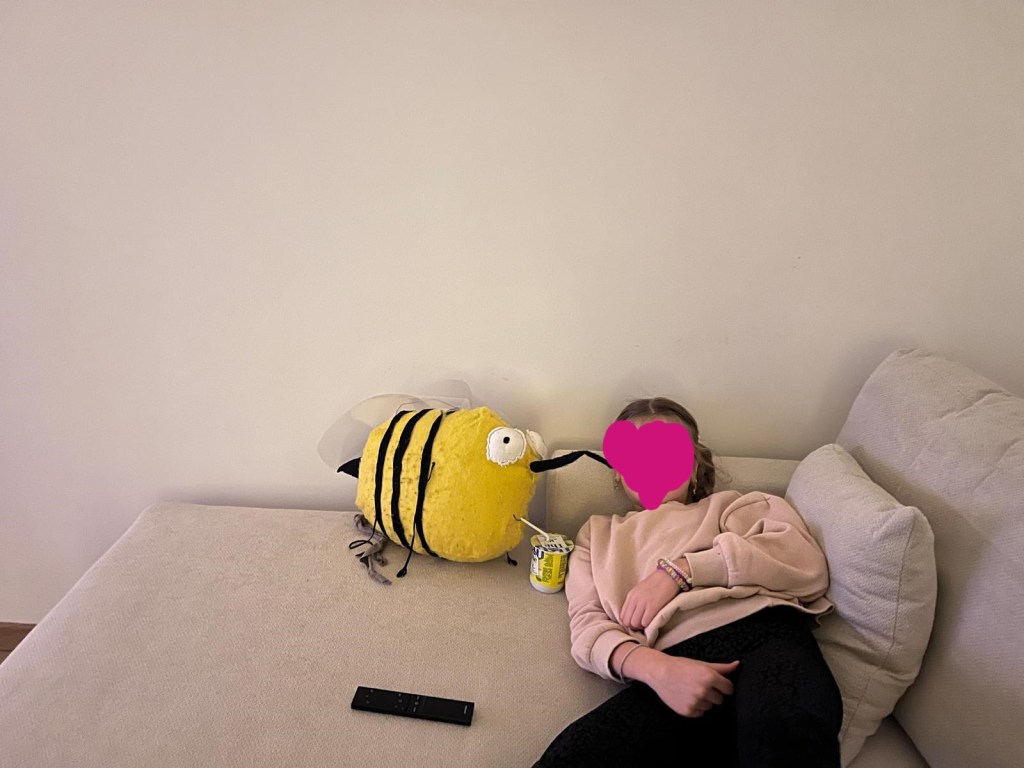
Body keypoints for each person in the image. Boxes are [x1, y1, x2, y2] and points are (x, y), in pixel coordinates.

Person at [533, 397, 843, 768]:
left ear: (695, 465)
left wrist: (679, 572)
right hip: (672, 667)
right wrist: (656, 669)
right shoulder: (595, 535)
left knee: (782, 732)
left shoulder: (733, 506)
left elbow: (805, 563)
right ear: (617, 470)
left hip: (764, 636)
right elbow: (588, 626)